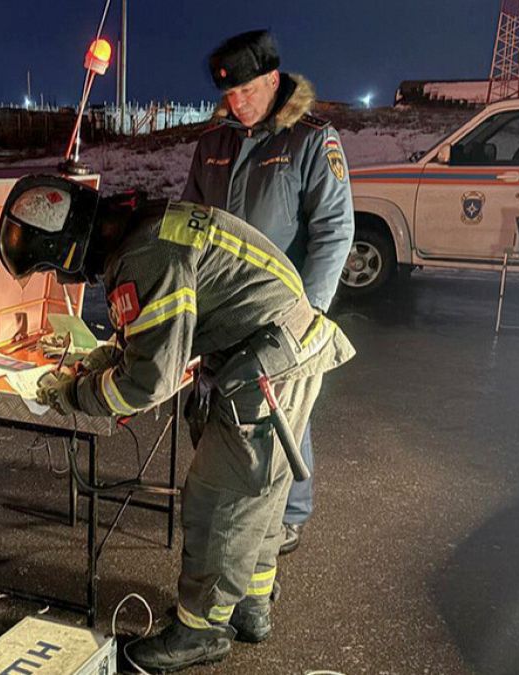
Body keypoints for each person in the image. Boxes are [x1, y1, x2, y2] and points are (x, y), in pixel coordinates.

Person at [0, 175, 354, 672]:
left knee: (220, 500)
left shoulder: (142, 257)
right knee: (259, 495)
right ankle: (250, 607)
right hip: (277, 347)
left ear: (70, 249)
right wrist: (108, 355)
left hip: (266, 365)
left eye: (55, 269)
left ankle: (200, 632)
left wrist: (74, 394)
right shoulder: (143, 227)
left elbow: (145, 385)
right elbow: (167, 328)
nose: (62, 280)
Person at [181, 29, 355, 555]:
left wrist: (311, 314)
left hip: (283, 310)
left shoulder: (309, 139)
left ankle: (291, 514)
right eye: (229, 95)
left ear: (274, 81)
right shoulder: (213, 142)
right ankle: (232, 499)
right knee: (227, 406)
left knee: (282, 412)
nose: (238, 103)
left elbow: (333, 230)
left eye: (248, 92)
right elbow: (189, 220)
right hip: (221, 307)